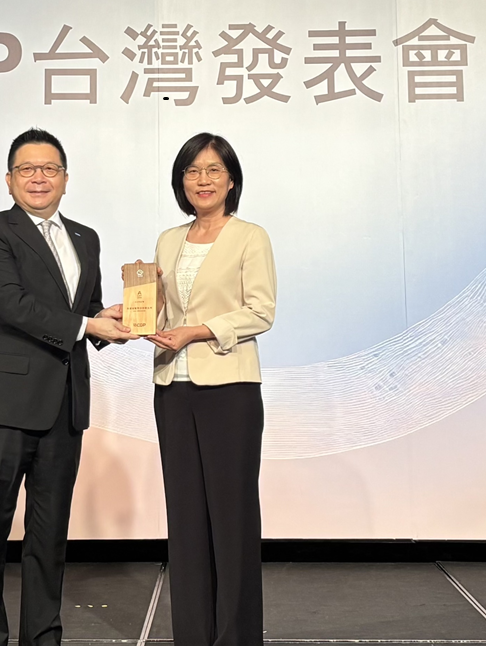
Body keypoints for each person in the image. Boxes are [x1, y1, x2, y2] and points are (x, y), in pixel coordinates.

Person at [0, 127, 137, 646]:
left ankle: (43, 638)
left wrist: (111, 321)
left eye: (49, 169)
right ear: (9, 179)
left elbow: (84, 310)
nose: (38, 178)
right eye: (27, 169)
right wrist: (87, 325)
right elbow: (9, 304)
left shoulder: (85, 237)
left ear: (65, 178)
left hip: (64, 406)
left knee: (49, 535)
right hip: (1, 407)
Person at [147, 132, 277, 646]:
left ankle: (236, 637)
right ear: (181, 181)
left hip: (229, 388)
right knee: (185, 520)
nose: (202, 180)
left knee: (232, 519)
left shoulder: (250, 236)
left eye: (213, 170)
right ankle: (193, 636)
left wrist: (198, 331)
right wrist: (137, 316)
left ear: (231, 180)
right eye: (192, 171)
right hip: (172, 388)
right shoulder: (168, 240)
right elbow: (163, 313)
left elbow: (260, 312)